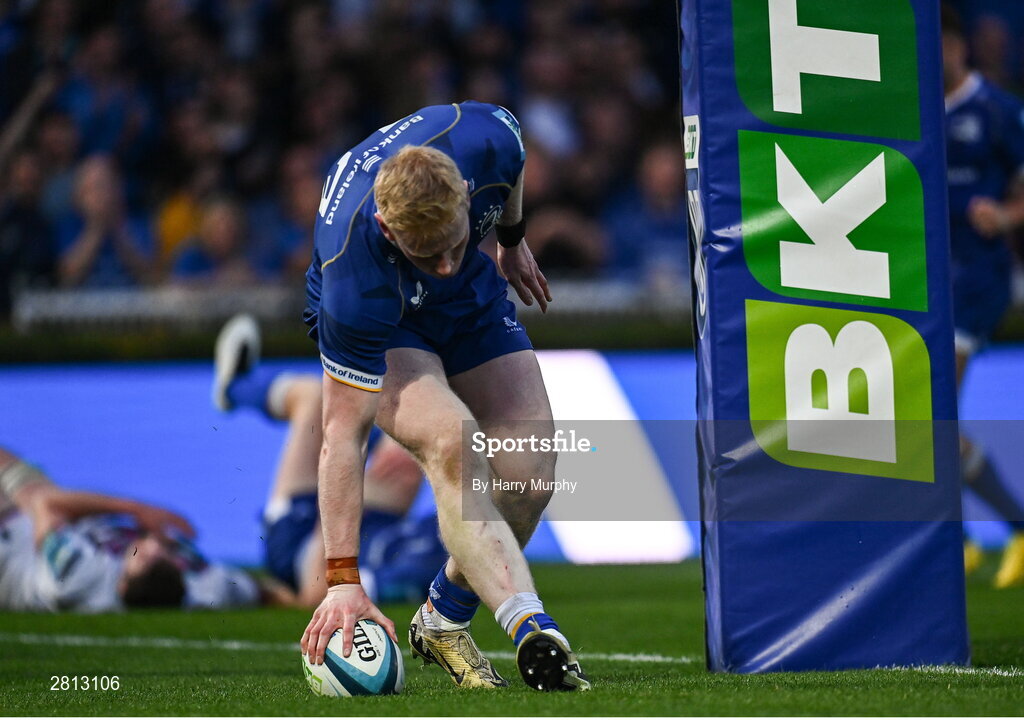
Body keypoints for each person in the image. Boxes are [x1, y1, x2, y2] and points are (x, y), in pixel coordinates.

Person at [299, 101, 589, 691]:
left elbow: (514, 170)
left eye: (456, 243)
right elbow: (341, 439)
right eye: (428, 255)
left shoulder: (489, 140)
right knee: (451, 442)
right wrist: (343, 581)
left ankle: (442, 618)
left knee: (529, 479)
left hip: (467, 306)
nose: (448, 262)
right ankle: (530, 623)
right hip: (391, 318)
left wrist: (509, 239)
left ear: (463, 191)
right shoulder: (350, 282)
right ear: (387, 228)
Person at [211, 313, 448, 608]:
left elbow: (318, 591)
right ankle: (367, 429)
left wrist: (347, 483)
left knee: (311, 398)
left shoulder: (415, 573)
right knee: (406, 439)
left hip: (303, 543)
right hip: (372, 516)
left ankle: (235, 387)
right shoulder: (457, 532)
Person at [0, 446, 291, 612]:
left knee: (26, 484)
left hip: (11, 549)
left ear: (122, 583)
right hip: (36, 522)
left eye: (141, 556)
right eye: (165, 556)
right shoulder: (207, 586)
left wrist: (133, 509)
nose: (153, 544)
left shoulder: (80, 578)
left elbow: (44, 503)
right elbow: (270, 595)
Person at [943, 3, 1024, 588]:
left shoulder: (997, 110)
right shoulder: (912, 113)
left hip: (977, 280)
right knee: (917, 419)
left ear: (956, 46)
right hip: (926, 281)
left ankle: (1012, 528)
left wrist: (1005, 213)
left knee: (932, 414)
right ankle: (961, 540)